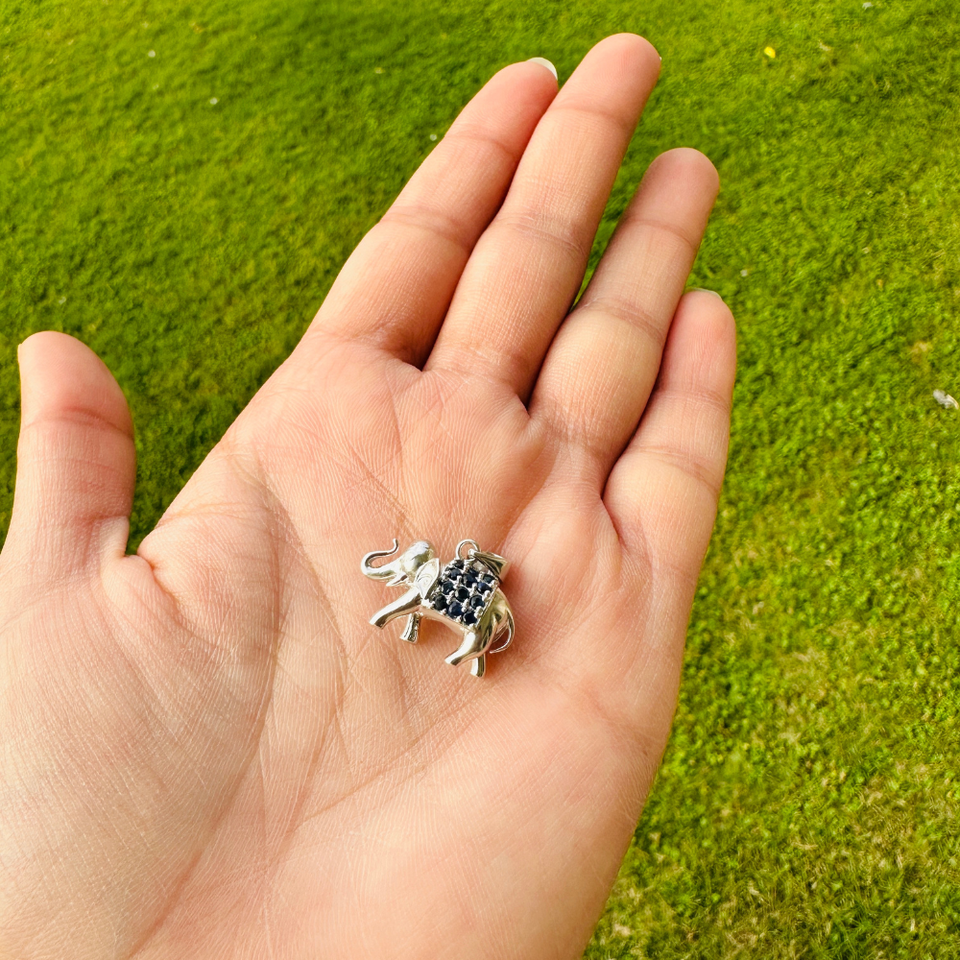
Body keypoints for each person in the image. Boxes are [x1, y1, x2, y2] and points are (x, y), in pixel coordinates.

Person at [0, 32, 736, 960]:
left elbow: (444, 581)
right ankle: (471, 648)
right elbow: (418, 586)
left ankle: (473, 650)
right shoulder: (423, 582)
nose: (403, 569)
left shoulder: (445, 583)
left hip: (468, 624)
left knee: (465, 621)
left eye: (409, 567)